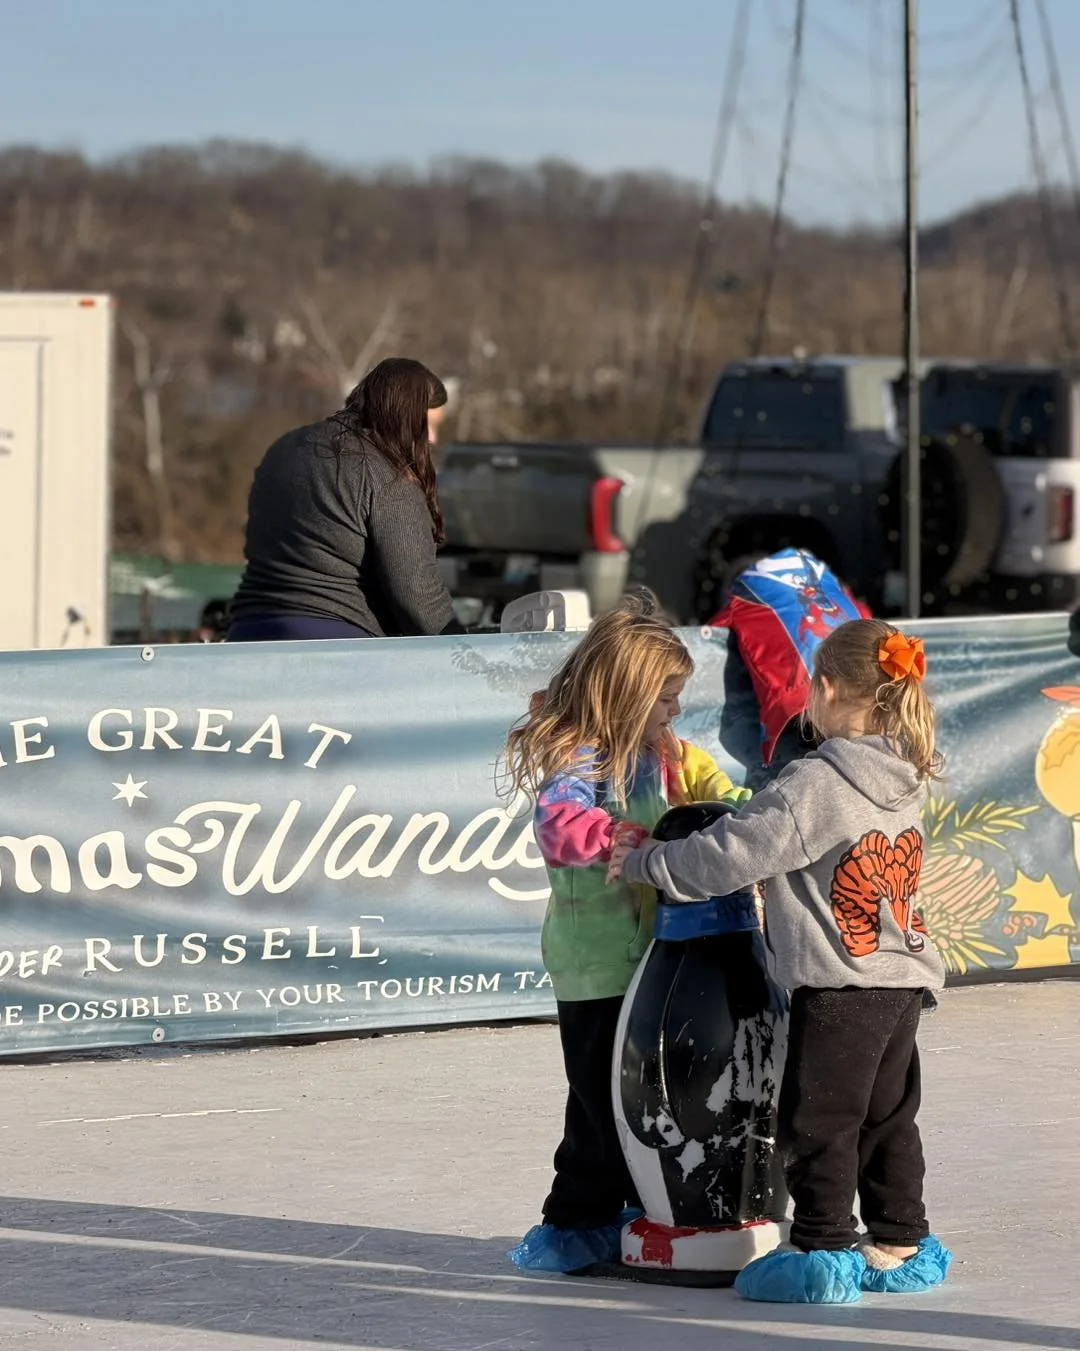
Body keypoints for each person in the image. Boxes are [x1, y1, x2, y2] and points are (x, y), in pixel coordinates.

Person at [608, 618, 952, 1304]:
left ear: (823, 688)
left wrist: (651, 862)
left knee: (820, 1118)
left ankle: (820, 1248)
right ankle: (900, 1240)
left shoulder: (817, 783)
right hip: (903, 982)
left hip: (840, 985)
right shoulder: (904, 771)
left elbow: (735, 849)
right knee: (888, 1117)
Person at [503, 593, 750, 1273]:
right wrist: (613, 835)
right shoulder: (578, 757)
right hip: (597, 965)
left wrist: (750, 821)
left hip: (660, 962)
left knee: (647, 1092)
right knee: (598, 1098)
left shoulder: (670, 753)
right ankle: (575, 1217)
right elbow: (557, 825)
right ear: (626, 693)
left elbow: (723, 797)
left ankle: (644, 1204)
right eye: (665, 697)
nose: (674, 709)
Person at [228, 358, 460, 641]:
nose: (433, 439)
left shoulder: (285, 448)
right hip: (337, 643)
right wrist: (465, 648)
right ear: (403, 417)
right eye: (427, 426)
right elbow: (418, 596)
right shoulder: (387, 474)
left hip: (249, 632)